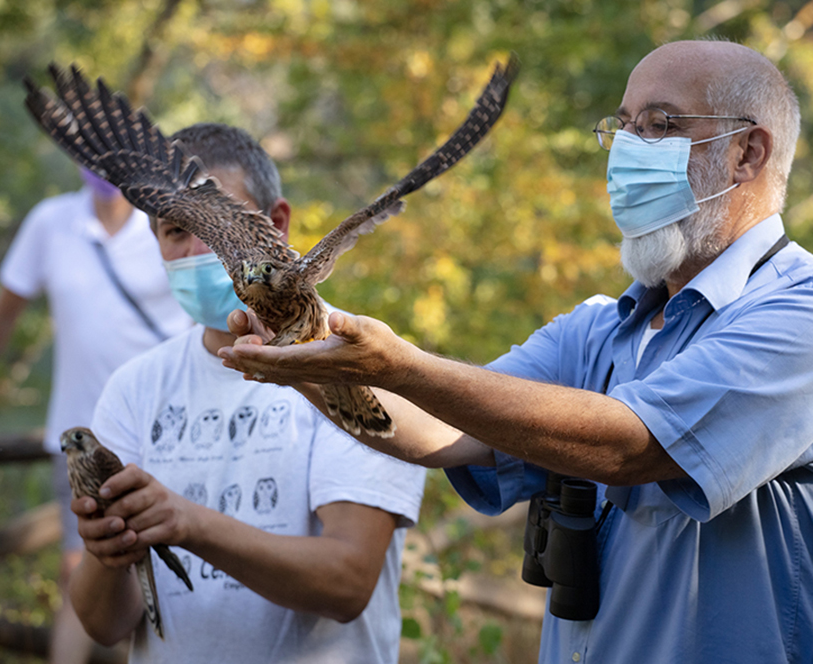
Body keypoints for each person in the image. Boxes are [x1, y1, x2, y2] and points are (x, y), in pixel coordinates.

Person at [219, 40, 813, 663]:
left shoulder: (795, 316)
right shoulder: (596, 333)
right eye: (624, 127)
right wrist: (304, 356)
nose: (630, 150)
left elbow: (629, 445)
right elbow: (437, 427)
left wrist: (398, 363)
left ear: (748, 152)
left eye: (661, 126)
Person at [66, 122, 426, 663]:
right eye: (173, 231)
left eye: (215, 227)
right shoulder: (135, 388)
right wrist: (109, 548)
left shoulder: (360, 363)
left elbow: (347, 584)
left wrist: (188, 524)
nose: (194, 250)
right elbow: (104, 624)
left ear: (275, 224)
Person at [0, 170, 193, 664]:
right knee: (86, 572)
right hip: (80, 444)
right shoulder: (50, 223)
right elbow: (2, 315)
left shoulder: (167, 225)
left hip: (170, 431)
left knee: (179, 572)